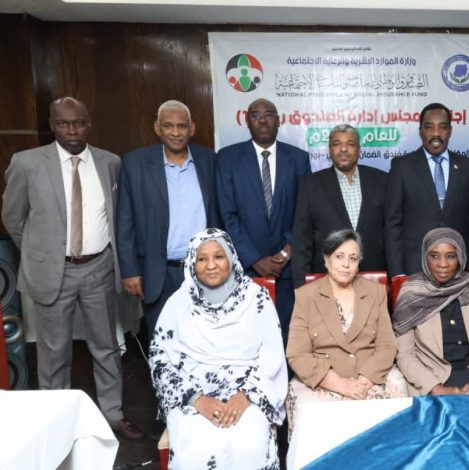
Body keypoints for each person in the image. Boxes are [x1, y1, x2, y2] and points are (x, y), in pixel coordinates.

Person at [2, 97, 142, 439]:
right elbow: (13, 218)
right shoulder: (27, 163)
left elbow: (117, 215)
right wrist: (41, 253)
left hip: (98, 268)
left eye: (79, 123)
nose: (72, 131)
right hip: (54, 271)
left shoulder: (110, 162)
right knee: (54, 352)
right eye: (64, 124)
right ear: (52, 125)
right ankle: (57, 422)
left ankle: (113, 414)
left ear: (89, 124)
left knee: (106, 346)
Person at [149, 228, 287, 469]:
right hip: (192, 396)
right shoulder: (178, 303)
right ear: (192, 264)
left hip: (248, 392)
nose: (211, 265)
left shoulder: (256, 298)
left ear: (231, 258)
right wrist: (196, 399)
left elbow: (272, 357)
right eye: (202, 259)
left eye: (219, 257)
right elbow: (160, 360)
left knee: (251, 444)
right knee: (194, 449)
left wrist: (246, 395)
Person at [117, 100, 220, 352]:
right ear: (157, 128)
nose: (176, 132)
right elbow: (125, 220)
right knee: (163, 344)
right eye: (168, 126)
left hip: (204, 269)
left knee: (206, 342)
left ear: (192, 128)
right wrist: (130, 271)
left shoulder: (210, 160)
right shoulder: (135, 163)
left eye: (182, 126)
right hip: (158, 272)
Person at [286, 229, 407, 434]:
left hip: (369, 377)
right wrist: (339, 384)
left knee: (396, 398)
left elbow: (387, 346)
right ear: (326, 260)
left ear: (358, 263)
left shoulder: (375, 292)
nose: (346, 264)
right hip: (325, 380)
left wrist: (364, 381)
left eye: (353, 258)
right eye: (339, 256)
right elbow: (297, 354)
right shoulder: (306, 296)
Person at [216, 98, 311, 342]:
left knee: (286, 336)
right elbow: (227, 213)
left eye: (268, 115)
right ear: (246, 121)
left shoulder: (298, 158)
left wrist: (286, 253)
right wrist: (254, 258)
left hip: (287, 270)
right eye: (255, 115)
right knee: (247, 337)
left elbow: (305, 212)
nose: (262, 120)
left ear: (279, 121)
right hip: (246, 269)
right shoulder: (227, 158)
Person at [394, 228, 469, 395]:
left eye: (450, 256)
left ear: (460, 257)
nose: (442, 264)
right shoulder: (411, 293)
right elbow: (405, 355)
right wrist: (436, 389)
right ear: (425, 257)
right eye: (434, 256)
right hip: (430, 379)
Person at [385, 102, 469, 277]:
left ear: (450, 131)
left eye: (442, 127)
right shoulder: (402, 167)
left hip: (458, 268)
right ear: (420, 131)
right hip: (414, 268)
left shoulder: (468, 167)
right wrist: (397, 273)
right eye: (429, 127)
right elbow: (393, 226)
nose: (436, 133)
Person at [292, 124, 387, 287]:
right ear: (329, 150)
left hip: (374, 280)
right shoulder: (311, 185)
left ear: (359, 150)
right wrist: (301, 289)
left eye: (350, 144)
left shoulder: (382, 181)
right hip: (326, 281)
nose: (343, 149)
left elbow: (391, 233)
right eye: (337, 144)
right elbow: (302, 241)